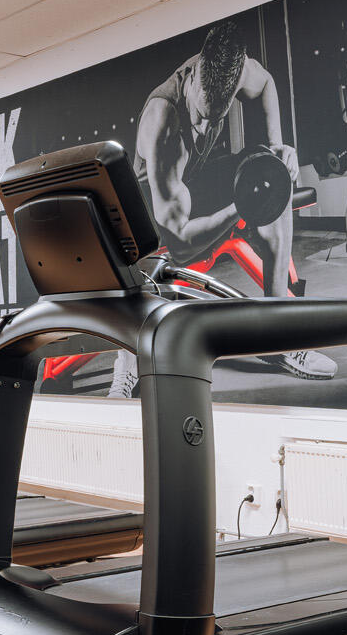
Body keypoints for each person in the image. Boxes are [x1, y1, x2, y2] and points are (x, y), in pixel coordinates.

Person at [110, 22, 334, 398]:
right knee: (134, 257)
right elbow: (181, 244)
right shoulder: (163, 122)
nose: (203, 125)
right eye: (200, 113)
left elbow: (265, 84)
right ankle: (127, 364)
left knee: (272, 174)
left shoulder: (234, 69)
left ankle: (278, 336)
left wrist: (277, 147)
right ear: (194, 77)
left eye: (215, 117)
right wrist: (239, 208)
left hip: (194, 185)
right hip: (153, 214)